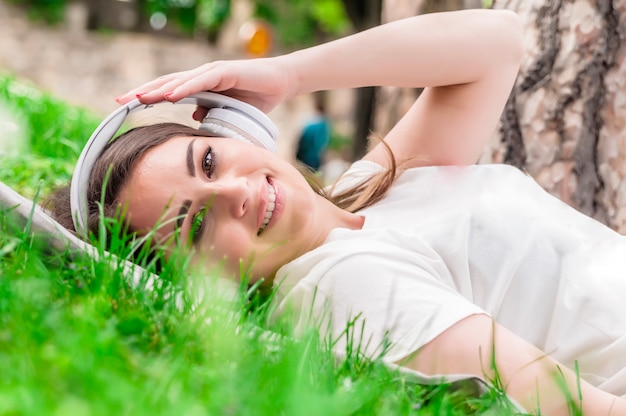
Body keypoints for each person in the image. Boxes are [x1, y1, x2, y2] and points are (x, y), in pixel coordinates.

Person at [47, 9, 626, 415]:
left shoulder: (365, 194)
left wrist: (288, 72)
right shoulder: (337, 286)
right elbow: (579, 409)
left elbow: (495, 43)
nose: (232, 194)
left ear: (231, 128)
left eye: (207, 161)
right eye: (195, 227)